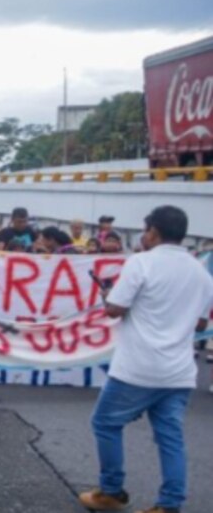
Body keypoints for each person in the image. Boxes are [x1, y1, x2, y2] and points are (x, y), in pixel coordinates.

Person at [79, 206, 213, 513]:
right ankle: (169, 504)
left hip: (137, 369)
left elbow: (114, 309)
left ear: (152, 231)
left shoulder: (141, 262)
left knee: (104, 423)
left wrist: (108, 296)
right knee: (170, 439)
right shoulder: (201, 273)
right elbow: (202, 324)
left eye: (146, 230)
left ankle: (111, 491)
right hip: (178, 372)